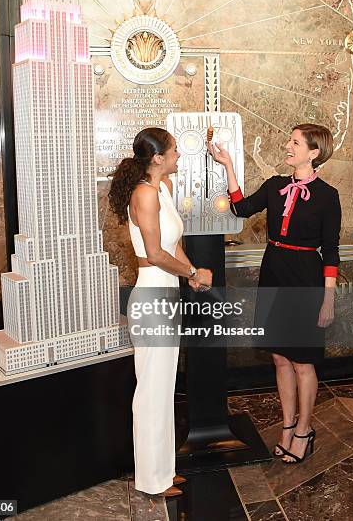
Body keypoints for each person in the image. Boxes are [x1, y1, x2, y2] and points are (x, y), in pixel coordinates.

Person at [208, 124, 341, 464]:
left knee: (302, 361)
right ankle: (287, 426)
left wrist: (328, 299)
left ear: (313, 152)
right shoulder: (275, 185)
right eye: (289, 139)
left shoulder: (328, 196)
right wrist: (227, 165)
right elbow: (241, 208)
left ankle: (304, 430)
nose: (287, 145)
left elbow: (331, 252)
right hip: (273, 271)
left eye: (295, 142)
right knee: (280, 357)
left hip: (306, 278)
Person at [109, 127, 213, 495]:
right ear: (157, 159)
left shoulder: (162, 191)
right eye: (173, 151)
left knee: (164, 386)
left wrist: (192, 277)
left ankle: (163, 472)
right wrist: (191, 272)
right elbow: (154, 255)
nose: (177, 155)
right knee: (152, 389)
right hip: (152, 295)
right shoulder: (144, 194)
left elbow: (173, 245)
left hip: (168, 292)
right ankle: (150, 480)